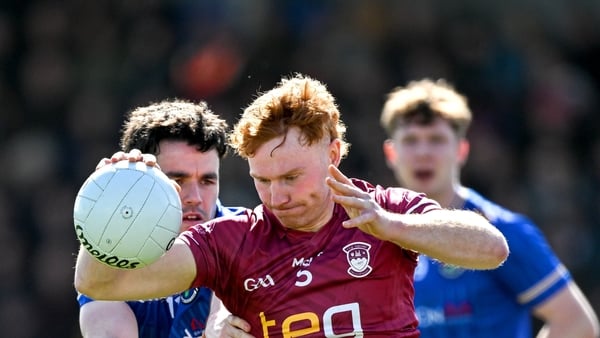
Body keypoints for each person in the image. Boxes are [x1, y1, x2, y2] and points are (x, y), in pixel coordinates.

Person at [74, 73, 509, 337]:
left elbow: (492, 248)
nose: (276, 197)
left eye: (290, 178)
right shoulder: (230, 240)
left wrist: (392, 226)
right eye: (261, 180)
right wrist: (107, 203)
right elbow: (101, 286)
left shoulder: (382, 210)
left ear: (333, 155)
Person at [378, 78, 599, 337]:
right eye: (411, 140)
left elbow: (577, 323)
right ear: (391, 154)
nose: (423, 152)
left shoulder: (503, 231)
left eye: (436, 139)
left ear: (461, 150)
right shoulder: (378, 233)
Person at [77, 99, 244, 338]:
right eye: (178, 181)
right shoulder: (110, 259)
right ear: (144, 182)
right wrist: (104, 206)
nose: (195, 197)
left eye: (207, 181)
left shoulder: (245, 234)